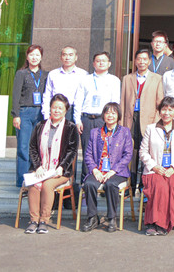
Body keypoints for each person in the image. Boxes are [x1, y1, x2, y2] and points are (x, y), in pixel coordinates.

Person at [24, 94, 79, 234]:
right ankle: (33, 221)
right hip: (41, 168)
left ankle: (44, 221)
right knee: (35, 184)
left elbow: (72, 151)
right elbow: (33, 148)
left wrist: (62, 167)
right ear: (50, 108)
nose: (57, 110)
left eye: (60, 108)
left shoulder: (71, 127)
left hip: (60, 171)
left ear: (65, 110)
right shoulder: (40, 126)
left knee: (47, 185)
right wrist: (38, 166)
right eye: (54, 107)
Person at [140, 97, 174, 236]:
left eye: (170, 109)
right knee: (160, 187)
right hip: (155, 170)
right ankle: (155, 223)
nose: (166, 113)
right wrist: (154, 166)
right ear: (159, 111)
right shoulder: (151, 129)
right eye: (164, 109)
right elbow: (143, 151)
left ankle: (165, 222)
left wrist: (173, 168)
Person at [81, 102, 133, 233]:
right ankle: (92, 217)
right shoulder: (94, 132)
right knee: (89, 184)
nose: (110, 115)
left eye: (113, 113)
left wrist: (113, 171)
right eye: (107, 112)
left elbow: (128, 155)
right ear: (103, 115)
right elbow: (88, 154)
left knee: (111, 184)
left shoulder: (124, 132)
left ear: (118, 116)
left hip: (117, 172)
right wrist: (94, 170)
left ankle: (112, 218)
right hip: (98, 170)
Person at [120, 48, 164, 195]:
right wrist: (121, 124)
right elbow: (122, 102)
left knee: (147, 153)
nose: (142, 62)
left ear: (149, 61)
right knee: (130, 153)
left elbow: (160, 103)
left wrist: (156, 123)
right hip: (130, 120)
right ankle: (130, 186)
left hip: (149, 122)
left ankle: (144, 187)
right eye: (139, 59)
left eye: (145, 59)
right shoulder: (127, 78)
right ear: (135, 61)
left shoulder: (157, 78)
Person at [74, 52, 121, 182]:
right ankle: (86, 182)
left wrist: (112, 121)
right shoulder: (85, 80)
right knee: (87, 152)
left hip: (104, 120)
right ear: (93, 63)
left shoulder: (114, 80)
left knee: (105, 150)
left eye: (104, 61)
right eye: (98, 61)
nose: (101, 63)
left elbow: (115, 102)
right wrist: (77, 120)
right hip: (87, 119)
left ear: (109, 64)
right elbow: (78, 101)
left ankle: (104, 180)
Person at [12, 44, 47, 187]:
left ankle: (36, 178)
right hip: (25, 113)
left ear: (41, 57)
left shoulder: (45, 75)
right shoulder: (21, 74)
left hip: (41, 113)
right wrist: (16, 115)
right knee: (23, 147)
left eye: (37, 55)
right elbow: (15, 96)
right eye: (32, 55)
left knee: (38, 146)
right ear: (27, 57)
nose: (34, 57)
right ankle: (22, 181)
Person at [42, 46, 88, 121]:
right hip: (56, 110)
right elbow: (47, 95)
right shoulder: (53, 74)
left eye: (70, 55)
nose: (67, 58)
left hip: (74, 110)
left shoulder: (83, 74)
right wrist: (46, 115)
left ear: (76, 57)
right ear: (61, 57)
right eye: (65, 55)